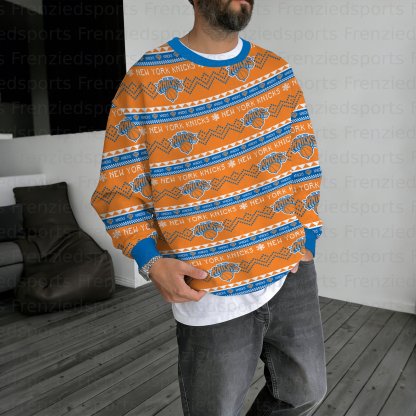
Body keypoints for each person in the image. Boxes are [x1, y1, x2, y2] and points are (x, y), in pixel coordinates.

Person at [90, 0, 327, 414]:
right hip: (207, 290)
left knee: (304, 393)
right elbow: (118, 187)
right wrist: (150, 261)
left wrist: (307, 235)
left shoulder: (275, 72)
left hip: (289, 275)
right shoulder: (146, 80)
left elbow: (302, 161)